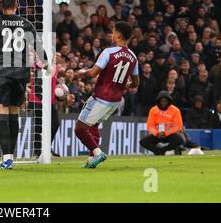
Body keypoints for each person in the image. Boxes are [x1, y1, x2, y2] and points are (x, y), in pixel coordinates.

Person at [0, 0, 53, 169]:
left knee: (2, 114)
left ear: (1, 7)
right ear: (16, 6)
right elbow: (38, 47)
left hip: (2, 73)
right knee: (14, 113)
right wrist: (47, 65)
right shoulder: (26, 24)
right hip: (21, 75)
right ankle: (11, 157)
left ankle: (7, 158)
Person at [75, 21, 140, 168]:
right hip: (116, 101)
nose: (112, 34)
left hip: (100, 97)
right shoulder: (133, 57)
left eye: (114, 31)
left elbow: (92, 73)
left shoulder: (109, 52)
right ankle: (92, 160)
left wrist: (80, 73)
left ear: (119, 34)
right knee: (94, 126)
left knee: (80, 129)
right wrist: (124, 84)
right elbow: (135, 83)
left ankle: (98, 153)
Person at [28, 62, 60, 158]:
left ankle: (46, 148)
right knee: (39, 127)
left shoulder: (54, 66)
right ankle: (38, 152)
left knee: (55, 124)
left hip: (49, 101)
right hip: (37, 100)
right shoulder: (39, 66)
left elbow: (53, 84)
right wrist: (44, 99)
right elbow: (37, 86)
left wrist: (59, 95)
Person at [140, 91, 185, 155]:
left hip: (170, 134)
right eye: (161, 101)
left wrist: (166, 133)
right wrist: (157, 133)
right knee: (143, 142)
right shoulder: (153, 110)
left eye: (165, 101)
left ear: (168, 101)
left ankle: (163, 150)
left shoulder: (175, 110)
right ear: (158, 101)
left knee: (180, 140)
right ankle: (158, 151)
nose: (163, 103)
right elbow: (150, 126)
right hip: (158, 134)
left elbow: (178, 126)